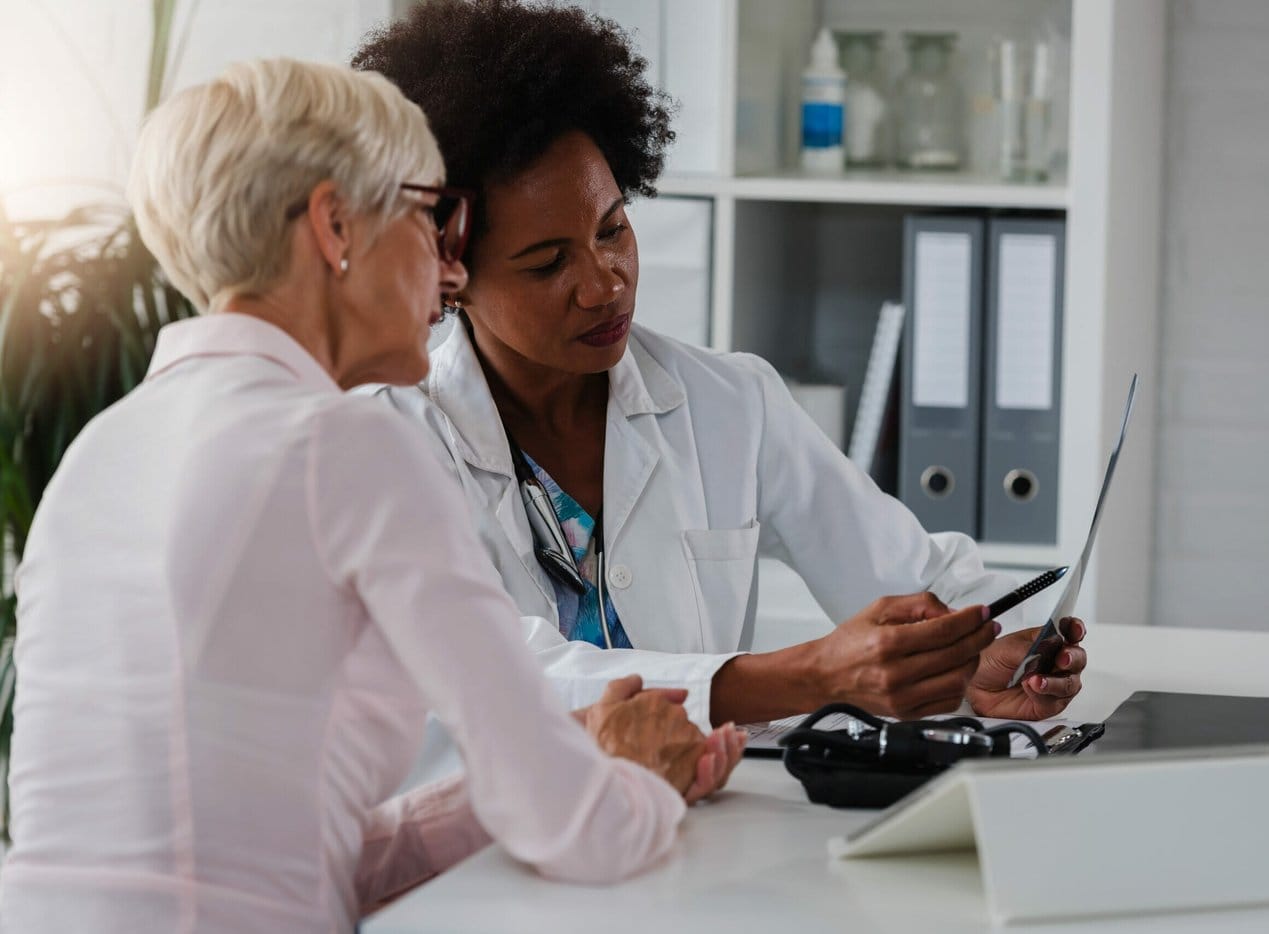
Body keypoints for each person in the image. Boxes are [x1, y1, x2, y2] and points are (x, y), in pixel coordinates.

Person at [0, 58, 743, 934]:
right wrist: (637, 780)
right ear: (335, 224)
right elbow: (581, 834)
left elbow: (293, 861)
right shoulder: (343, 444)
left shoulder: (101, 452)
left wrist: (573, 756)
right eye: (434, 215)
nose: (449, 266)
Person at [352, 0, 1086, 733]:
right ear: (448, 270)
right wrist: (807, 676)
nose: (605, 281)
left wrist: (984, 652)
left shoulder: (729, 402)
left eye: (613, 229)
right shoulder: (387, 443)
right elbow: (502, 673)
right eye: (548, 263)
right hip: (483, 836)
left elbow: (910, 573)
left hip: (704, 825)